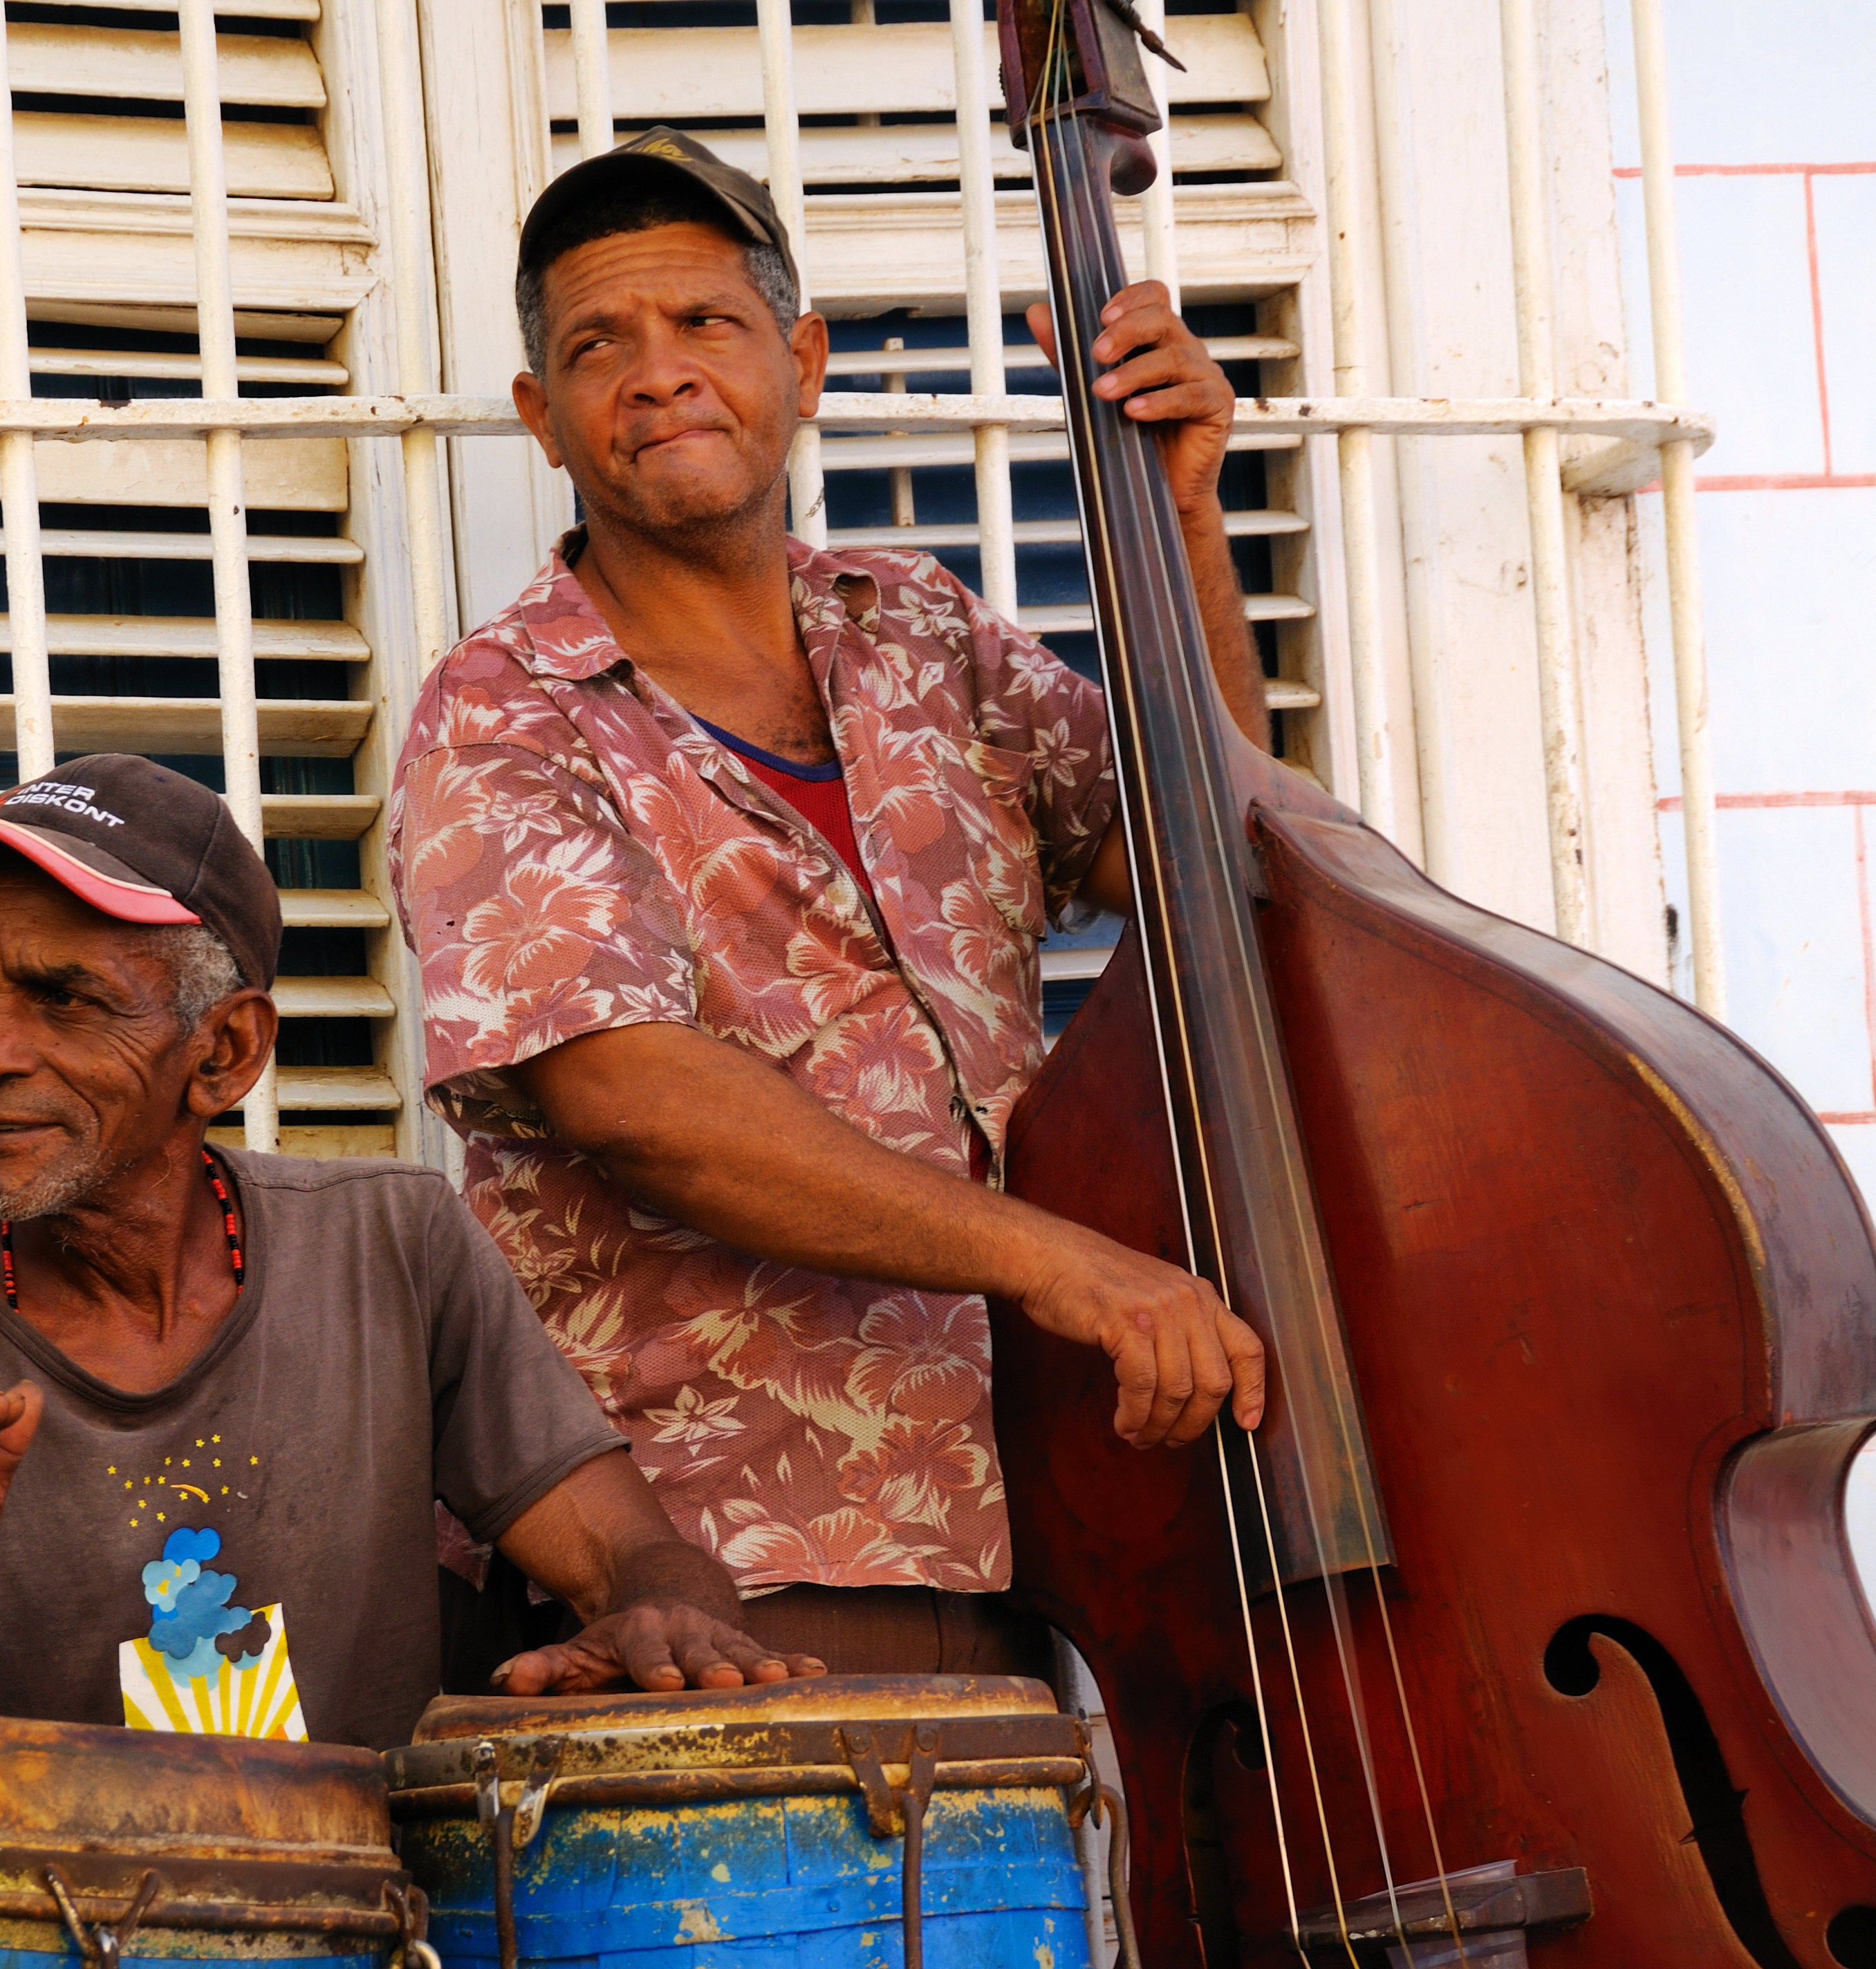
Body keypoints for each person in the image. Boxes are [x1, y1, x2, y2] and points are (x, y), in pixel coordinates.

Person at [386, 129, 1270, 1679]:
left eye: (705, 324)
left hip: (1074, 1513)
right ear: (542, 418)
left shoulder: (918, 629)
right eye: (598, 345)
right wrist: (1058, 1258)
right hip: (732, 1561)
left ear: (799, 359)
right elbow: (632, 1095)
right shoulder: (499, 709)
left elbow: (1216, 863)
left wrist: (1187, 519)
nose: (656, 374)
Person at [0, 754, 810, 1841]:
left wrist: (666, 1616)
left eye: (61, 998)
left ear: (223, 1053)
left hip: (350, 1934)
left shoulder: (393, 1247)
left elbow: (625, 1554)